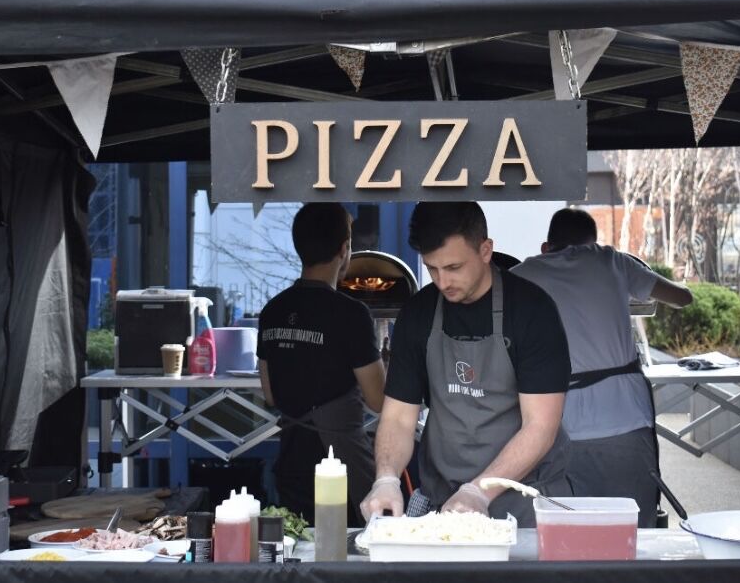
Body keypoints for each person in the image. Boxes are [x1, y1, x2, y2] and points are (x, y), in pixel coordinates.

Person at [360, 202, 572, 527]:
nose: (442, 282)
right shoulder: (418, 313)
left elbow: (540, 427)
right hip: (444, 500)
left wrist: (478, 491)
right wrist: (386, 478)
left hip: (524, 502)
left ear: (486, 250)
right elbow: (399, 417)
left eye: (454, 267)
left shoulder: (532, 311)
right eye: (432, 269)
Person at [512, 207, 693, 528]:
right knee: (632, 526)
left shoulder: (521, 275)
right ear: (593, 243)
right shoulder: (615, 262)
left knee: (566, 527)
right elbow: (682, 298)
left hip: (555, 427)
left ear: (545, 247)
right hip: (626, 420)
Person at [258, 203, 386, 526]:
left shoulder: (272, 310)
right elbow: (379, 401)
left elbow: (270, 395)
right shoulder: (351, 314)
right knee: (349, 549)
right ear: (344, 249)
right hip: (341, 467)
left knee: (299, 545)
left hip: (291, 462)